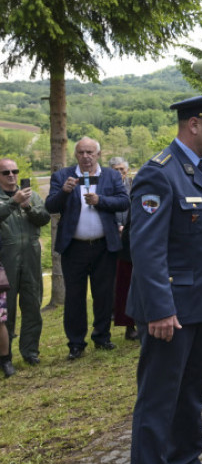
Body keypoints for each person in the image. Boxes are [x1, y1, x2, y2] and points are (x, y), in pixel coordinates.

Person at [128, 92, 202, 464]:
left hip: (200, 302)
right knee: (158, 400)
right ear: (194, 124)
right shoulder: (160, 174)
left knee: (190, 392)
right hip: (169, 308)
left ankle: (184, 463)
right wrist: (158, 309)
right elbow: (147, 249)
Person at [45, 137, 129, 360]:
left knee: (103, 295)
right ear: (76, 155)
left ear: (98, 154)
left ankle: (102, 337)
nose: (86, 156)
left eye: (90, 152)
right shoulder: (63, 176)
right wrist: (64, 191)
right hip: (74, 248)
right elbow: (50, 206)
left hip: (104, 246)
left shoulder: (110, 176)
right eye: (82, 152)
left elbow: (124, 201)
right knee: (75, 297)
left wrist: (100, 200)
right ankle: (75, 343)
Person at [0, 159, 50, 366]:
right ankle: (6, 355)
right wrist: (13, 202)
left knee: (32, 305)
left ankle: (30, 351)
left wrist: (28, 206)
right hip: (6, 258)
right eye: (6, 172)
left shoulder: (32, 195)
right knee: (7, 309)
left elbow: (44, 218)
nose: (12, 175)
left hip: (31, 255)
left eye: (15, 171)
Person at [109, 157, 138, 341]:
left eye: (122, 169)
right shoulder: (106, 186)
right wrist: (116, 226)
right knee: (118, 284)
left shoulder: (134, 185)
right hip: (113, 237)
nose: (120, 172)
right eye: (116, 169)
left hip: (131, 236)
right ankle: (124, 322)